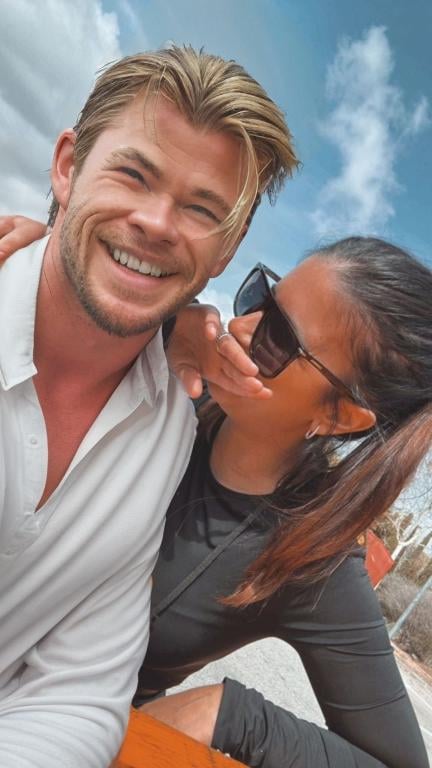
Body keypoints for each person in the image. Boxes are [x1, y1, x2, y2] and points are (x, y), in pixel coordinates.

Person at [0, 45, 298, 767]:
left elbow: (80, 692)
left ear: (227, 250)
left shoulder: (168, 428)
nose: (159, 223)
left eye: (202, 209)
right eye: (133, 174)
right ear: (68, 167)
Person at [132, 238, 430, 768]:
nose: (241, 326)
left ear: (339, 416)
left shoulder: (309, 560)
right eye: (259, 298)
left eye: (277, 338)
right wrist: (152, 327)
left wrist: (232, 714)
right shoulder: (170, 364)